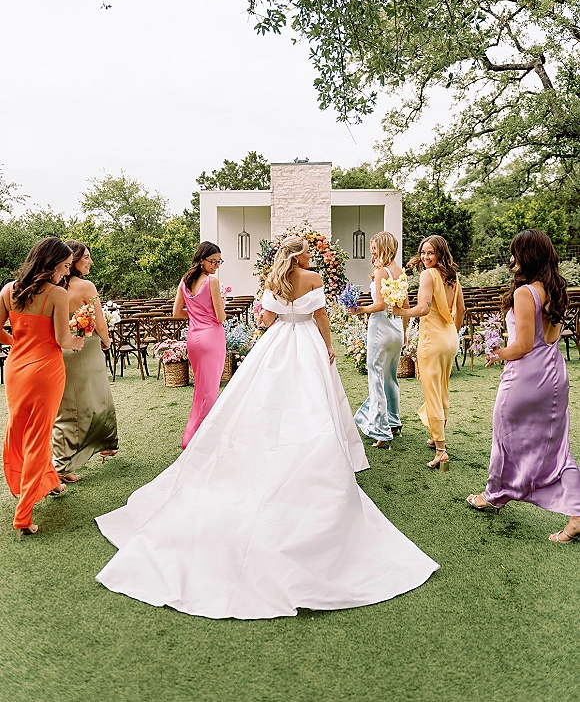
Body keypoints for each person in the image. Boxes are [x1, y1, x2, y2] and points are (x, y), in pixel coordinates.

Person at [95, 236, 438, 619]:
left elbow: (269, 319)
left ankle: (269, 454)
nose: (310, 253)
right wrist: (327, 346)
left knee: (266, 402)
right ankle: (308, 462)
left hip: (276, 344)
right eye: (306, 250)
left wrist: (275, 319)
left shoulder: (274, 280)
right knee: (311, 404)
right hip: (305, 341)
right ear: (300, 255)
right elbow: (321, 317)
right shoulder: (314, 278)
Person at [466, 229, 580, 543]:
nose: (512, 259)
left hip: (526, 377)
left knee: (504, 437)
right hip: (555, 376)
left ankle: (494, 495)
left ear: (528, 256)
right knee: (558, 450)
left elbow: (523, 346)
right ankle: (577, 517)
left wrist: (495, 353)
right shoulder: (556, 288)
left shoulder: (525, 292)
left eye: (516, 253)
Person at [1, 237, 84, 538]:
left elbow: (0, 331)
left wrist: (19, 344)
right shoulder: (56, 294)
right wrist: (78, 341)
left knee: (21, 429)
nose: (65, 273)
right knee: (38, 436)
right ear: (49, 265)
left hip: (16, 370)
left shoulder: (8, 291)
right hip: (46, 372)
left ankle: (51, 482)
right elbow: (62, 340)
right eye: (63, 267)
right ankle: (23, 516)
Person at [392, 235, 465, 469]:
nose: (425, 257)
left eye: (430, 253)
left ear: (440, 254)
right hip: (450, 338)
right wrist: (451, 333)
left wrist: (401, 312)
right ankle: (435, 437)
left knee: (432, 392)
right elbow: (460, 310)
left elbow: (423, 308)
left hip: (432, 341)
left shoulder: (427, 275)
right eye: (423, 252)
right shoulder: (453, 277)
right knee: (441, 388)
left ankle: (441, 450)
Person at [51, 240, 118, 482]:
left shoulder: (52, 286)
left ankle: (63, 463)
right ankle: (104, 443)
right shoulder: (86, 287)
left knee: (68, 409)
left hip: (61, 351)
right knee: (97, 399)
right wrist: (107, 340)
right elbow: (100, 322)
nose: (90, 261)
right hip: (86, 350)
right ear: (75, 259)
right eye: (87, 257)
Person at [351, 232, 408, 448]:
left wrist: (359, 309)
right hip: (396, 330)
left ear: (384, 247)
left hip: (380, 329)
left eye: (374, 247)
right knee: (390, 377)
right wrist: (403, 333)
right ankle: (394, 421)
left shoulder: (380, 271)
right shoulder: (398, 271)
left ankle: (381, 431)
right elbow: (405, 305)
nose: (372, 251)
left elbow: (379, 306)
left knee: (376, 378)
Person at [172, 241, 227, 449]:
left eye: (219, 262)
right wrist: (220, 305)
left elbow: (177, 313)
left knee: (200, 390)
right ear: (201, 259)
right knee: (210, 391)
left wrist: (196, 313)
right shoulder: (212, 282)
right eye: (213, 261)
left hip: (193, 339)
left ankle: (190, 437)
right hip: (211, 338)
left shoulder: (185, 281)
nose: (216, 266)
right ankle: (202, 440)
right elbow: (220, 317)